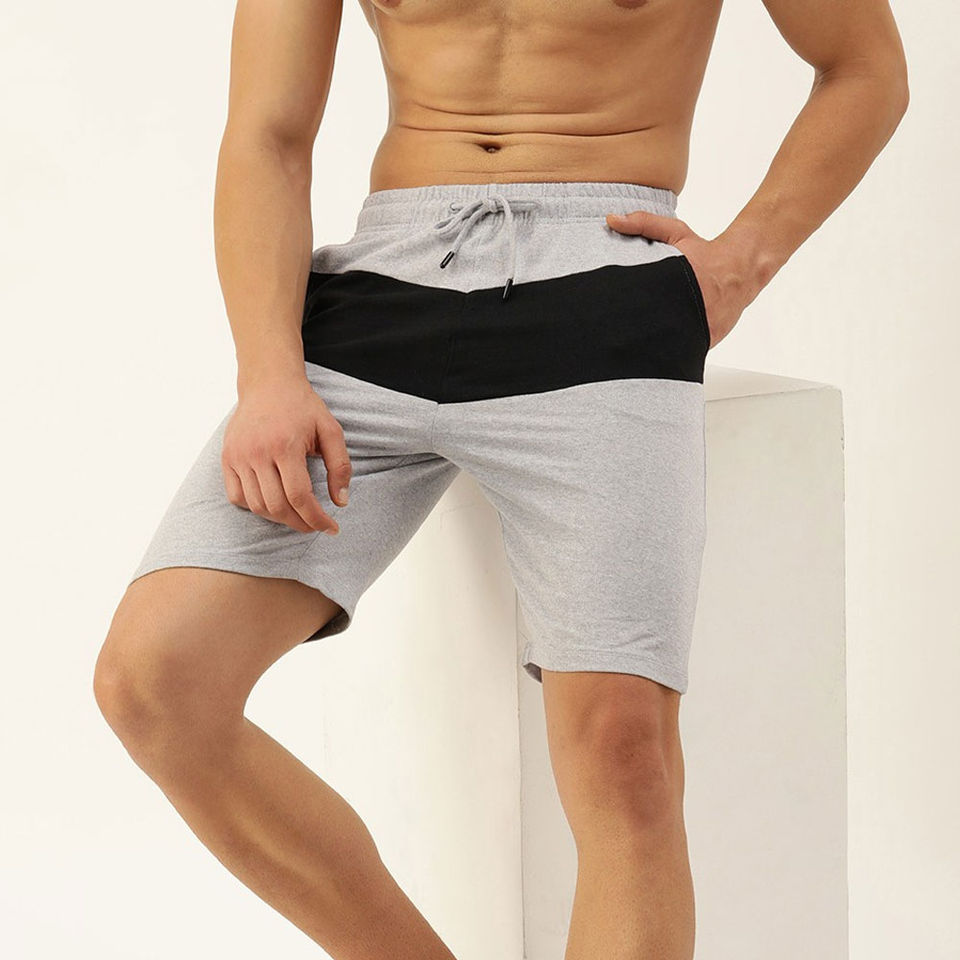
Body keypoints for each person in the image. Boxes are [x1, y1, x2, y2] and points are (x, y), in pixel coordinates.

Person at [92, 1, 908, 958]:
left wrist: (739, 263)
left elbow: (866, 66)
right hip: (384, 280)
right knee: (155, 684)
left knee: (623, 748)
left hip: (604, 282)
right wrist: (267, 371)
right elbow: (270, 133)